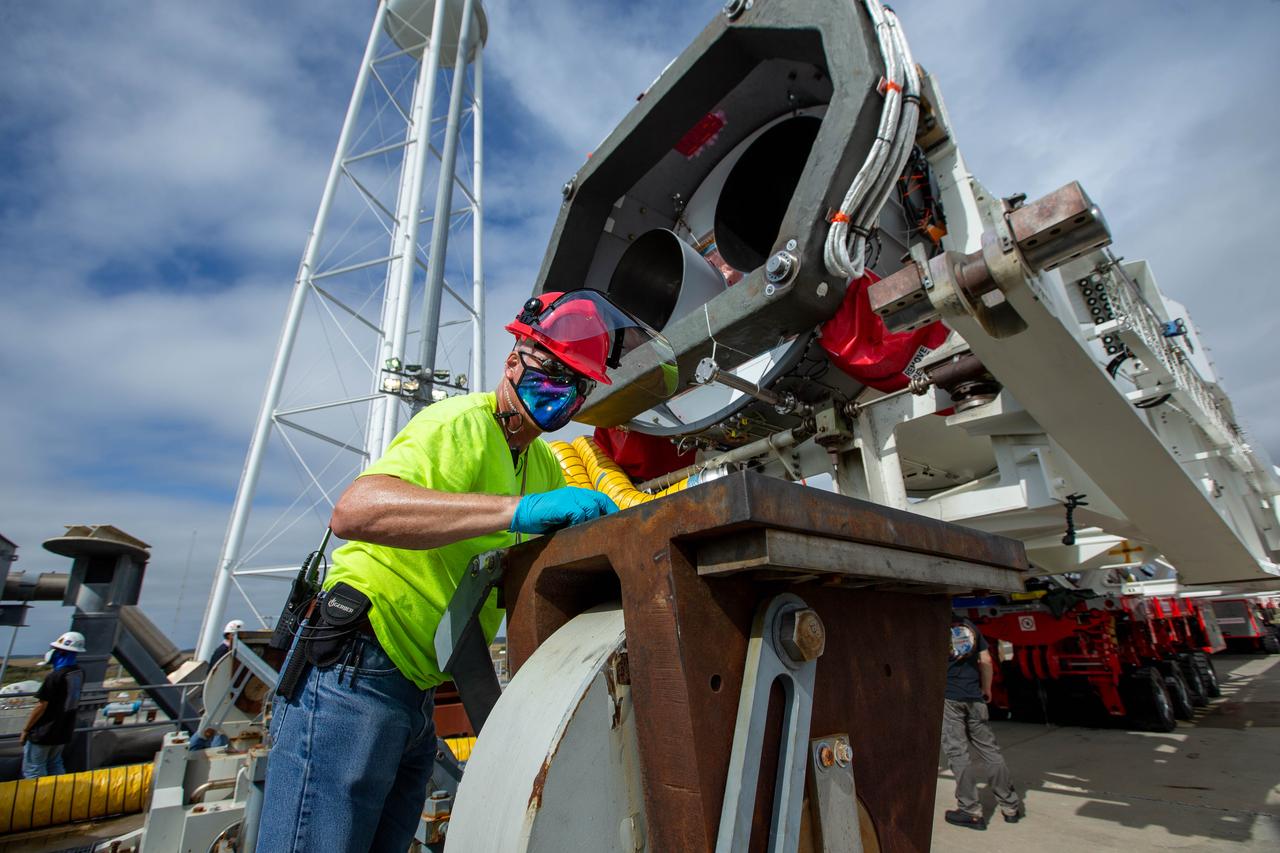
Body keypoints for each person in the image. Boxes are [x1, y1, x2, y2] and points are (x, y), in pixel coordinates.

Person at [258, 290, 670, 853]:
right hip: (354, 671)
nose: (559, 393)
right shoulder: (460, 424)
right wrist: (516, 513)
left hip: (418, 690)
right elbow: (356, 510)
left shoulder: (544, 464)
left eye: (576, 384)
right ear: (514, 360)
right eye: (549, 371)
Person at [942, 618, 1024, 830]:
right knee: (990, 751)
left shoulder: (934, 626)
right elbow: (986, 660)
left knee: (958, 754)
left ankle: (971, 810)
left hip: (950, 699)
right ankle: (1010, 807)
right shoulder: (970, 627)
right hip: (975, 698)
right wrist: (986, 689)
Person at [19, 631, 86, 778]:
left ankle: (38, 799)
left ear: (60, 652)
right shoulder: (78, 673)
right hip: (63, 730)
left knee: (34, 769)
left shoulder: (55, 677)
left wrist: (26, 730)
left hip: (44, 731)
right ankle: (59, 797)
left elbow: (41, 706)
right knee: (55, 764)